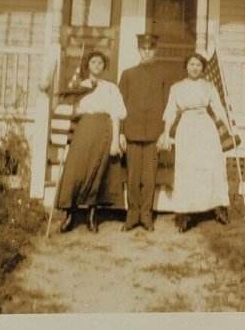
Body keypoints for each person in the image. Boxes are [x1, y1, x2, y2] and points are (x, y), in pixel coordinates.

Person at [56, 51, 126, 233]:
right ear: (88, 65)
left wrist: (115, 142)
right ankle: (70, 215)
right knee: (75, 171)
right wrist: (76, 103)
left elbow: (116, 116)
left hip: (103, 131)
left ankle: (91, 215)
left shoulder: (111, 88)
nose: (96, 65)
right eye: (93, 62)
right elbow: (71, 111)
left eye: (100, 62)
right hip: (83, 130)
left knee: (98, 172)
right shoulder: (79, 85)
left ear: (104, 66)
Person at [161, 53, 230, 233]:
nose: (195, 68)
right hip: (187, 128)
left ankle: (219, 207)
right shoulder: (177, 88)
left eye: (198, 65)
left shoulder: (209, 86)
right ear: (186, 66)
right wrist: (166, 133)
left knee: (211, 166)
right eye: (192, 64)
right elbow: (170, 111)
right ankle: (185, 214)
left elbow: (218, 108)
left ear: (203, 67)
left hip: (206, 128)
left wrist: (229, 127)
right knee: (187, 169)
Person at [117, 34, 171, 232]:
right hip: (132, 133)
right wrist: (121, 132)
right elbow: (119, 106)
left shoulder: (162, 74)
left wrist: (164, 133)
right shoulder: (128, 74)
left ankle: (146, 215)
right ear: (139, 50)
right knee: (133, 177)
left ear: (155, 50)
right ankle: (132, 215)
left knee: (149, 177)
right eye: (143, 48)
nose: (147, 51)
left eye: (150, 48)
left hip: (153, 135)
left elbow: (168, 106)